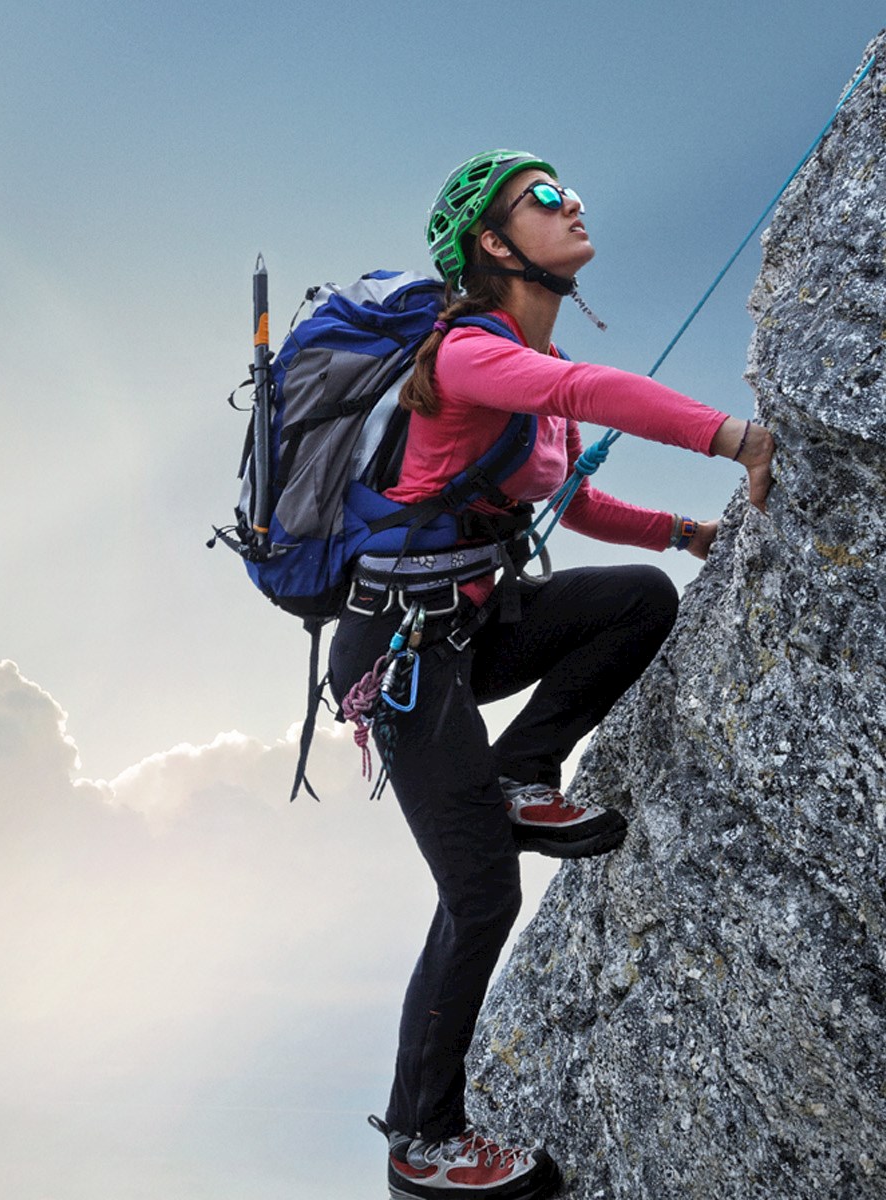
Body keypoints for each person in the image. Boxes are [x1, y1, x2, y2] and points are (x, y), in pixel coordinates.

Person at [334, 150, 776, 1200]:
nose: (570, 202)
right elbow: (583, 387)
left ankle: (517, 771)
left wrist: (679, 532)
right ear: (493, 245)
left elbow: (566, 504)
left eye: (564, 187)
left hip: (468, 626)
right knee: (478, 894)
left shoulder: (528, 364)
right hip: (398, 654)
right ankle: (419, 1142)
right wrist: (732, 437)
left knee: (632, 598)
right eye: (541, 198)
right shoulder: (463, 354)